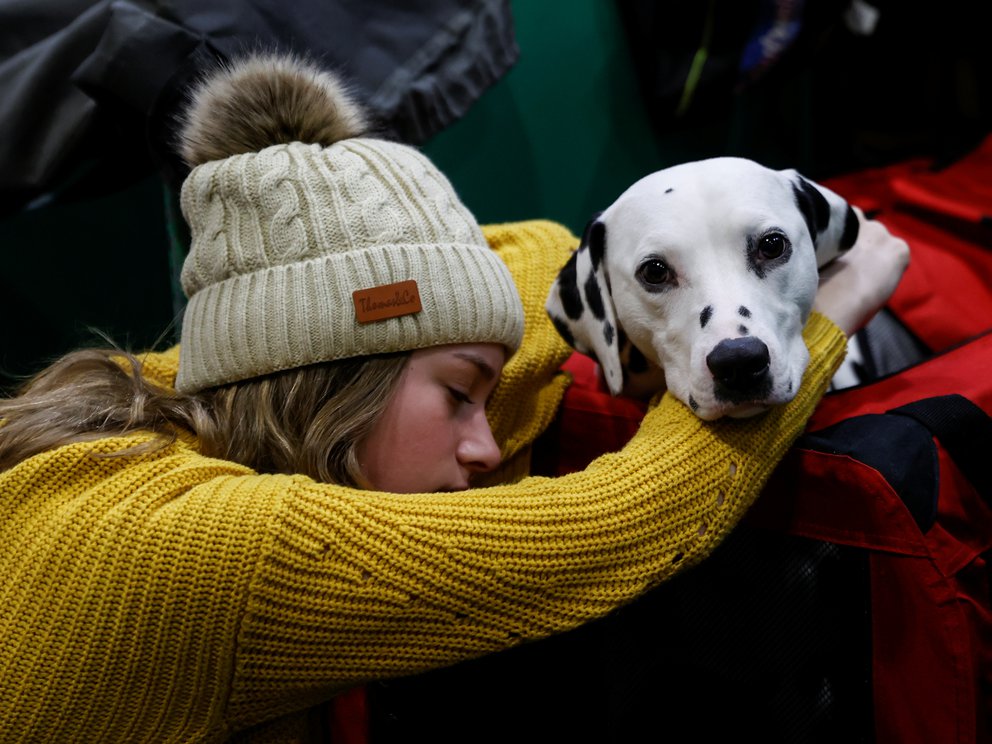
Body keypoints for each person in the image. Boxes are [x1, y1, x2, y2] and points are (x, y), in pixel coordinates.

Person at [0, 53, 908, 742]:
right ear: (336, 379)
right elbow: (631, 520)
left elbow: (530, 254)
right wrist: (821, 320)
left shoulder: (192, 389)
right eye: (461, 397)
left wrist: (638, 307)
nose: (485, 447)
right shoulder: (215, 549)